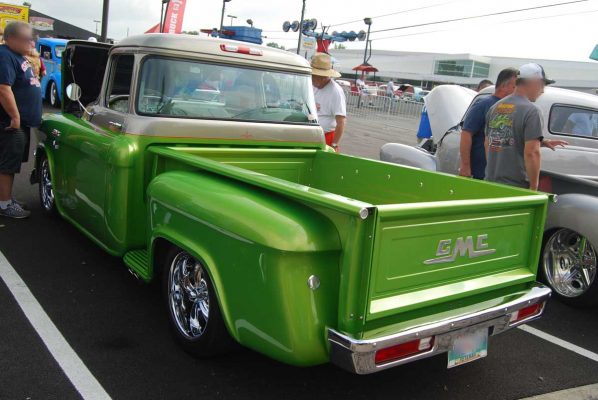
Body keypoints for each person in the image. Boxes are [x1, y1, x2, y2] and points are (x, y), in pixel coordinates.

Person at [485, 63, 567, 190]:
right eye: (542, 85)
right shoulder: (532, 111)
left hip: (490, 182)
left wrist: (542, 142)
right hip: (516, 186)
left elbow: (489, 143)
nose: (542, 90)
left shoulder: (496, 107)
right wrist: (533, 188)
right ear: (534, 82)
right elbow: (532, 153)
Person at [0, 22, 42, 218]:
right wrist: (15, 116)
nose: (30, 42)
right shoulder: (4, 56)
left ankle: (6, 198)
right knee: (7, 164)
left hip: (21, 122)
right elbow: (3, 88)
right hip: (10, 122)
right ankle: (4, 204)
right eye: (26, 39)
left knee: (13, 163)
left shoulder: (17, 56)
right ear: (11, 39)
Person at [459, 68, 518, 179]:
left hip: (499, 174)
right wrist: (465, 166)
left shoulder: (511, 107)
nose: (517, 91)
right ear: (504, 86)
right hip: (480, 172)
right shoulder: (483, 104)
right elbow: (466, 134)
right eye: (515, 87)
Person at [311, 53, 346, 152]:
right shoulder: (314, 86)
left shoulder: (336, 91)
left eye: (314, 77)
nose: (311, 79)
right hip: (312, 135)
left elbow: (341, 122)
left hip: (327, 137)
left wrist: (334, 145)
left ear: (322, 77)